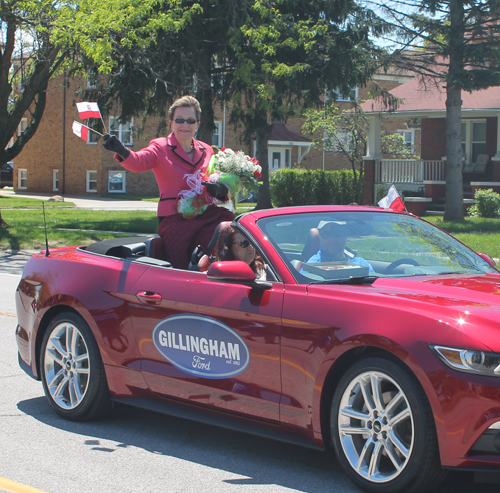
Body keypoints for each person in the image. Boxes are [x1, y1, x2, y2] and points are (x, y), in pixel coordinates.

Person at [102, 95, 234, 269]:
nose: (185, 125)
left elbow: (216, 178)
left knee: (234, 235)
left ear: (198, 124)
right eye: (179, 120)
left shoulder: (207, 150)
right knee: (190, 254)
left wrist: (219, 191)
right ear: (171, 123)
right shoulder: (160, 147)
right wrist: (122, 151)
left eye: (190, 121)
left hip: (208, 215)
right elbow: (138, 161)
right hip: (175, 218)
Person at [305, 220, 374, 272]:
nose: (332, 240)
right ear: (319, 236)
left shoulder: (361, 264)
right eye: (326, 234)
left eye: (337, 233)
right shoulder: (312, 267)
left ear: (346, 235)